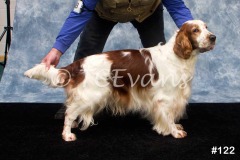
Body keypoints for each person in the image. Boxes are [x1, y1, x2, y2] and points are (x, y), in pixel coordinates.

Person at [41, 0, 193, 69]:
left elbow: (177, 7)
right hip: (104, 14)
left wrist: (195, 33)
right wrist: (57, 50)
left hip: (147, 13)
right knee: (86, 54)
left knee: (160, 59)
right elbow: (81, 12)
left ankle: (163, 104)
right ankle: (74, 101)